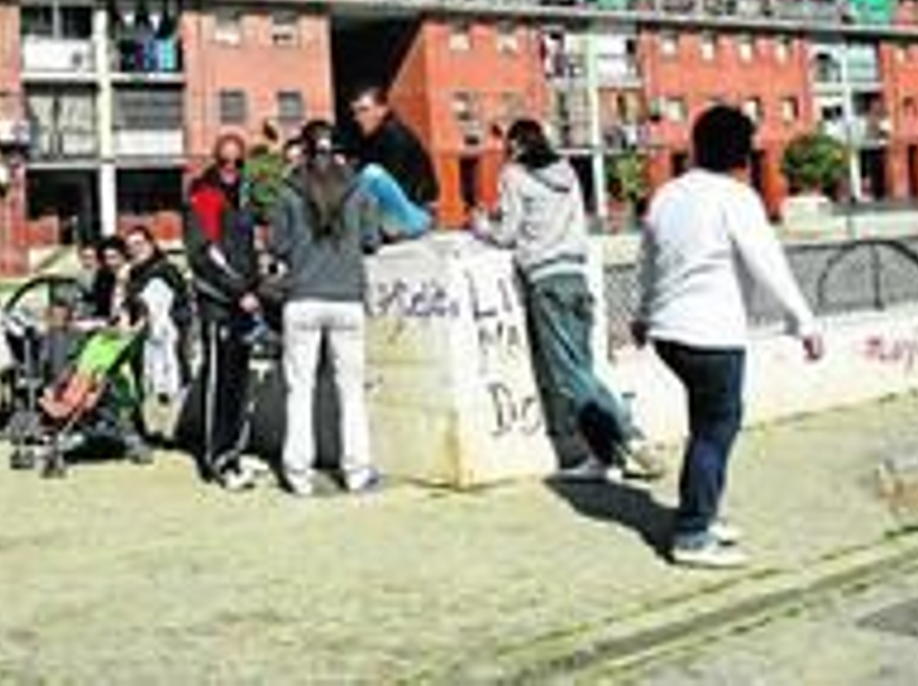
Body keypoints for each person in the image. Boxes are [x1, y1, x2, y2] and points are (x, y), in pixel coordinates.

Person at [633, 106, 825, 569]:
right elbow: (767, 262)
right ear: (742, 154)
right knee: (714, 430)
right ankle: (692, 533)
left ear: (697, 146)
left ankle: (706, 511)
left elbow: (648, 262)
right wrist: (804, 322)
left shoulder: (668, 195)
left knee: (707, 424)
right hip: (712, 334)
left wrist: (641, 314)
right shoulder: (737, 198)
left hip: (669, 334)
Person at [473, 119, 662, 482]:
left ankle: (632, 436)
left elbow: (509, 233)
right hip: (576, 276)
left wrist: (483, 228)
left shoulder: (513, 174)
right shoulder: (568, 172)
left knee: (569, 376)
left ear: (515, 145)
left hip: (546, 279)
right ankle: (604, 458)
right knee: (583, 371)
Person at [269, 121, 384, 496]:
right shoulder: (359, 189)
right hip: (347, 298)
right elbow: (372, 240)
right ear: (337, 151)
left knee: (298, 390)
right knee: (351, 392)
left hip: (302, 298)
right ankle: (357, 473)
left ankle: (298, 474)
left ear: (303, 150)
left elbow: (278, 246)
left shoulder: (288, 191)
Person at [185, 133, 263, 490]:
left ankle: (233, 452)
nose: (231, 168)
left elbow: (247, 249)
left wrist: (256, 284)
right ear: (214, 162)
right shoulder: (205, 196)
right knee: (220, 382)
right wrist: (238, 291)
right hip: (219, 302)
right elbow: (203, 254)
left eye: (238, 162)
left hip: (243, 302)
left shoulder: (243, 197)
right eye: (224, 161)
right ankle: (216, 460)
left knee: (239, 381)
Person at [345, 85, 437, 238]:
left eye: (364, 110)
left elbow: (396, 188)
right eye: (355, 112)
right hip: (392, 216)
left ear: (382, 110)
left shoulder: (395, 136)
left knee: (372, 174)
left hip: (415, 216)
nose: (358, 117)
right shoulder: (370, 139)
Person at [124, 224, 192, 405]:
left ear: (151, 244)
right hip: (146, 339)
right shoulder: (135, 272)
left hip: (166, 338)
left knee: (167, 386)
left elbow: (157, 310)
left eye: (139, 244)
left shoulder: (163, 271)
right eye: (130, 246)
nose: (135, 250)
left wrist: (134, 328)